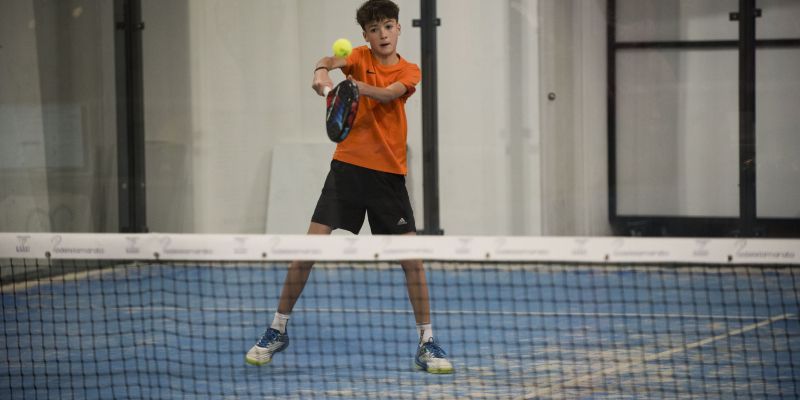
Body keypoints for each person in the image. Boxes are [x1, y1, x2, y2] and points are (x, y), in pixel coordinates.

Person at [245, 0, 453, 374]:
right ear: (365, 36)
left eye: (388, 26)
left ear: (399, 28)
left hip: (388, 176)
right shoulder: (357, 57)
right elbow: (328, 59)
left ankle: (427, 341)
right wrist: (320, 72)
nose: (382, 34)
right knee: (306, 251)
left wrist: (354, 87)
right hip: (346, 171)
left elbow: (390, 93)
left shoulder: (410, 70)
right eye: (374, 30)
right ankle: (277, 329)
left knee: (413, 262)